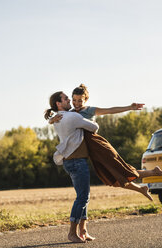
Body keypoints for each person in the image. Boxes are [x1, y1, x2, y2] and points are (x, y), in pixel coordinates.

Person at [49, 84, 162, 201]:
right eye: (74, 100)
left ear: (86, 100)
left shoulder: (89, 110)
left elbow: (110, 110)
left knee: (121, 170)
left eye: (80, 101)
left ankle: (153, 172)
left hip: (97, 146)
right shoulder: (71, 111)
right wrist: (51, 120)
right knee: (112, 177)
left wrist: (129, 107)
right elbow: (58, 115)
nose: (76, 103)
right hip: (90, 150)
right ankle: (141, 189)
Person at [44, 91, 97, 243]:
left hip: (70, 161)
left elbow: (52, 120)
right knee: (82, 197)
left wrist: (50, 120)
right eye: (66, 99)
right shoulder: (72, 116)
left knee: (83, 197)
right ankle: (72, 233)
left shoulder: (58, 119)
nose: (69, 101)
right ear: (58, 104)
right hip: (77, 161)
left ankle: (83, 231)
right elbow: (94, 127)